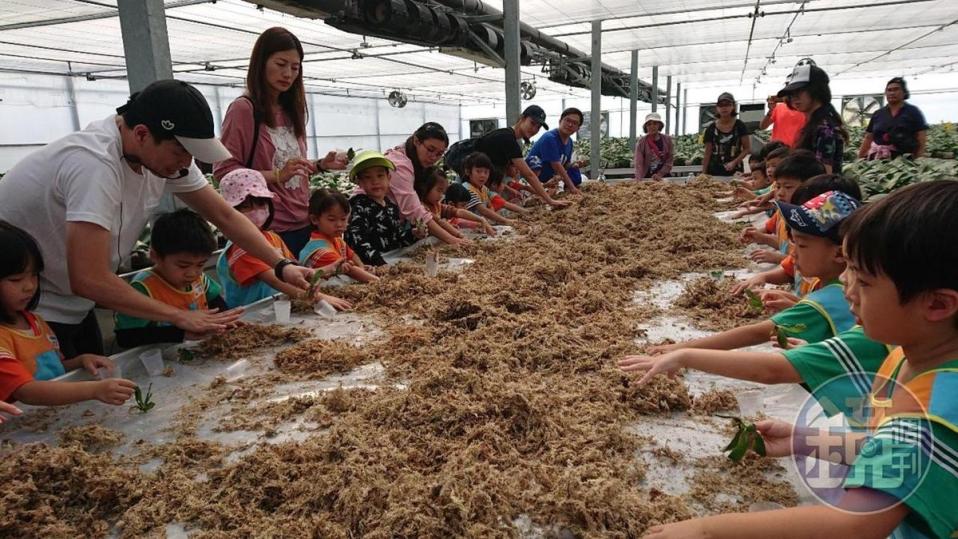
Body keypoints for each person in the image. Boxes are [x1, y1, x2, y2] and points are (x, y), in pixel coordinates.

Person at [640, 181, 958, 539]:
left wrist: (707, 530)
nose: (847, 288)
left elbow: (856, 524)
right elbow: (893, 454)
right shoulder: (907, 355)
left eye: (865, 282)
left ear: (937, 304)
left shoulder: (935, 408)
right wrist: (803, 440)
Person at [0, 79, 313, 359]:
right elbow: (89, 278)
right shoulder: (94, 166)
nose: (186, 164)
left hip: (72, 303)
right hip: (22, 309)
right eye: (180, 152)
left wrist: (281, 265)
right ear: (141, 134)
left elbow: (223, 214)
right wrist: (179, 316)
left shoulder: (163, 158)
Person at [653, 191, 860, 354]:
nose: (792, 253)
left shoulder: (831, 296)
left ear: (840, 253)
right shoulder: (830, 285)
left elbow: (756, 334)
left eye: (802, 245)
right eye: (793, 242)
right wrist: (795, 303)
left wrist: (682, 350)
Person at [215, 27, 347, 256]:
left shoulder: (291, 110)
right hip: (269, 228)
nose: (288, 74)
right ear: (261, 63)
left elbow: (290, 168)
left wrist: (319, 165)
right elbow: (224, 171)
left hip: (304, 222)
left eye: (295, 68)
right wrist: (277, 175)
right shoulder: (244, 109)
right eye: (281, 64)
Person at [0, 222, 135, 407]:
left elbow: (53, 371)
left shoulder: (35, 321)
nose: (29, 286)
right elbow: (26, 391)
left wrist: (80, 361)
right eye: (15, 279)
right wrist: (94, 390)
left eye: (34, 275)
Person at [216, 169, 349, 310]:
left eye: (261, 204)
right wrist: (319, 298)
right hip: (253, 314)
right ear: (230, 212)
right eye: (245, 207)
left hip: (278, 308)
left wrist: (323, 270)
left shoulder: (273, 237)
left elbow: (292, 272)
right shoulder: (241, 246)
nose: (256, 212)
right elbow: (275, 280)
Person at [114, 209, 228, 348]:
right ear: (155, 256)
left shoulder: (199, 279)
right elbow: (125, 338)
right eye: (183, 266)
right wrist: (179, 333)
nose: (192, 273)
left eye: (200, 264)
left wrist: (226, 322)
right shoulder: (143, 288)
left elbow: (216, 301)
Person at [369, 122, 470, 248]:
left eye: (439, 154)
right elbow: (415, 211)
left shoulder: (411, 156)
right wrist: (452, 239)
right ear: (416, 141)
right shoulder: (399, 166)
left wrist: (455, 235)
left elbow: (426, 212)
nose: (433, 157)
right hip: (374, 226)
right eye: (430, 150)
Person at [446, 105, 570, 208]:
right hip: (468, 189)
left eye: (538, 127)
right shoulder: (508, 139)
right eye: (532, 123)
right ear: (522, 118)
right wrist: (550, 201)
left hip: (477, 188)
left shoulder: (508, 137)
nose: (534, 129)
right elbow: (529, 174)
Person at [345, 151, 425, 266]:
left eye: (380, 175)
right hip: (371, 265)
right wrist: (380, 264)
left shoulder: (391, 207)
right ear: (360, 183)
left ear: (389, 178)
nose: (375, 181)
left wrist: (413, 234)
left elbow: (397, 238)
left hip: (392, 259)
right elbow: (358, 241)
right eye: (367, 177)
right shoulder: (359, 207)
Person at [778, 62, 849, 174]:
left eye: (800, 91)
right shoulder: (814, 123)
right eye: (792, 93)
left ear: (816, 91)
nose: (794, 98)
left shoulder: (824, 128)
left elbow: (825, 175)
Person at [299, 189, 379, 283]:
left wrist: (361, 267)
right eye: (332, 220)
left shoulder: (336, 239)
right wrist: (377, 281)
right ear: (315, 219)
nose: (339, 224)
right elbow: (352, 271)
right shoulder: (321, 251)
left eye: (343, 219)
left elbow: (352, 255)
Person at [858, 77, 929, 160]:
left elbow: (921, 137)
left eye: (896, 89)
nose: (892, 93)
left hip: (904, 161)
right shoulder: (878, 114)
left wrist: (918, 159)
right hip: (877, 160)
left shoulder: (913, 112)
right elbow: (869, 137)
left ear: (904, 93)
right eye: (889, 90)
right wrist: (860, 157)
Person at [415, 167, 496, 237]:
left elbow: (458, 211)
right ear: (425, 188)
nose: (441, 195)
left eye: (443, 192)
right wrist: (459, 236)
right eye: (439, 190)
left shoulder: (437, 205)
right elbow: (440, 223)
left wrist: (480, 219)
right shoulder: (421, 207)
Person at [525, 107, 584, 194]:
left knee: (577, 177)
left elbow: (565, 164)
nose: (570, 125)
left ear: (578, 128)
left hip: (550, 184)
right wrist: (572, 188)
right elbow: (556, 165)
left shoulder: (570, 142)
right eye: (567, 120)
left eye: (575, 123)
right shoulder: (550, 138)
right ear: (560, 121)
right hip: (535, 185)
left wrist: (573, 165)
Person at [459, 153, 517, 227]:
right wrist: (505, 221)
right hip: (470, 224)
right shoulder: (467, 188)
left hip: (483, 222)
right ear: (468, 172)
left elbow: (489, 206)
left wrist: (492, 216)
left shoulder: (484, 188)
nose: (483, 175)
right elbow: (483, 210)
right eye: (478, 171)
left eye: (486, 172)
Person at [702, 92, 751, 177]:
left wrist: (734, 162)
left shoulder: (740, 126)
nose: (724, 108)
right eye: (721, 105)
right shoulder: (711, 128)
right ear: (717, 108)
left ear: (733, 107)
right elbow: (707, 153)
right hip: (714, 170)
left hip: (735, 170)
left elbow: (747, 149)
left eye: (728, 105)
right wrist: (703, 173)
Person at [633, 113, 674, 181]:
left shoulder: (667, 140)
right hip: (646, 177)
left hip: (663, 176)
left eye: (655, 123)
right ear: (646, 127)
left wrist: (660, 174)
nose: (652, 126)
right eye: (649, 124)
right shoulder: (642, 142)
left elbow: (669, 160)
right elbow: (638, 162)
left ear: (659, 125)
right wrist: (638, 179)